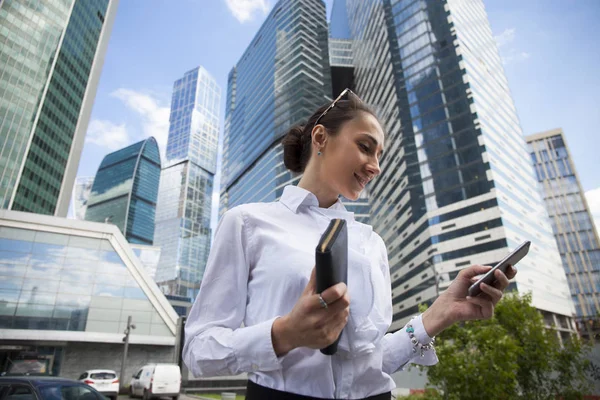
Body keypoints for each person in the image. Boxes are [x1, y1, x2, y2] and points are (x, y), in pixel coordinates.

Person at [182, 89, 517, 400]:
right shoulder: (247, 223)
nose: (376, 166)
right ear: (321, 138)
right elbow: (198, 351)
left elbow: (369, 362)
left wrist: (441, 313)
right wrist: (284, 333)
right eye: (365, 147)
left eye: (379, 154)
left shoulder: (372, 243)